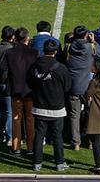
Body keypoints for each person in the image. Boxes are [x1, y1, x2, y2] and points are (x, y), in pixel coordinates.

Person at [29, 39, 72, 172]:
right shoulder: (61, 68)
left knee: (39, 134)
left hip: (40, 106)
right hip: (57, 108)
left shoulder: (35, 66)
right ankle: (59, 163)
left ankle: (37, 163)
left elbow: (30, 83)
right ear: (55, 51)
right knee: (57, 135)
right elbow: (67, 87)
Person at [5, 27, 38, 156]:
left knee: (16, 119)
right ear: (27, 38)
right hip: (29, 90)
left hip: (16, 89)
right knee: (30, 119)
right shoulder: (33, 53)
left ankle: (16, 147)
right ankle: (30, 147)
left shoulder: (10, 53)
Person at [64, 26, 94, 149]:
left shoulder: (68, 47)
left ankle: (76, 142)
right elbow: (99, 54)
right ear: (86, 35)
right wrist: (92, 41)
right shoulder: (89, 47)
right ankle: (90, 140)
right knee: (90, 113)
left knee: (74, 115)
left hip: (73, 85)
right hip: (87, 85)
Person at [0, 26, 15, 144]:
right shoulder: (11, 50)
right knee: (8, 111)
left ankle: (0, 133)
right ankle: (9, 136)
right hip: (7, 82)